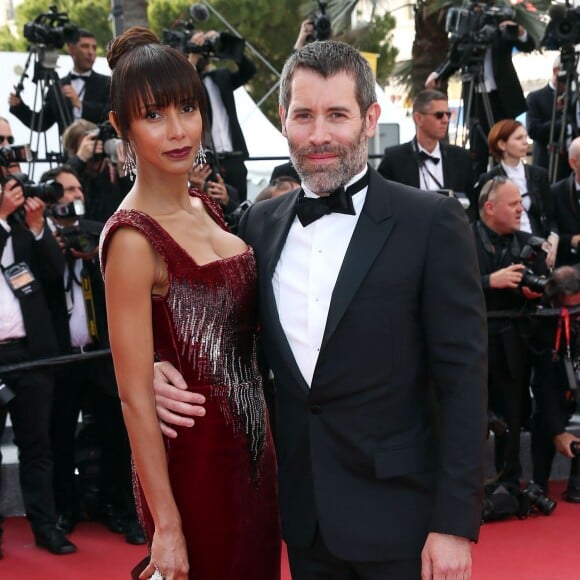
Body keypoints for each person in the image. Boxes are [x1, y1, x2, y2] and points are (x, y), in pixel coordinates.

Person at [154, 40, 488, 579]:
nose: (319, 136)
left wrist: (453, 524)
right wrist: (155, 366)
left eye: (337, 115)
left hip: (402, 518)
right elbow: (219, 334)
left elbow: (464, 384)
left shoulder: (432, 223)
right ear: (284, 118)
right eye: (304, 115)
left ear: (370, 118)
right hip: (304, 519)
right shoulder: (259, 225)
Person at [99, 27, 280, 580]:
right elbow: (133, 399)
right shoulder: (132, 239)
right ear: (122, 129)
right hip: (194, 468)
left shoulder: (206, 206)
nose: (178, 131)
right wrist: (167, 526)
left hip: (255, 460)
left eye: (186, 108)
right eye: (154, 116)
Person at [41, 166, 144, 545]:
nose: (71, 195)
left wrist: (89, 245)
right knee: (60, 437)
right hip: (58, 360)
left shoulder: (101, 232)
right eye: (63, 189)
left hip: (102, 355)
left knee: (116, 436)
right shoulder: (37, 238)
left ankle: (121, 509)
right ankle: (66, 509)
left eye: (76, 188)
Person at [0, 164, 76, 555]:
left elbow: (55, 272)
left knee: (37, 446)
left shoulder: (19, 228)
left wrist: (36, 226)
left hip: (32, 353)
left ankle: (46, 528)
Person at [473, 176, 547, 486]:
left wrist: (533, 292)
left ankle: (510, 484)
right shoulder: (461, 239)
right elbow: (444, 289)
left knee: (513, 415)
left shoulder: (528, 244)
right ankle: (467, 490)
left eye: (521, 202)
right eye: (513, 204)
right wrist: (490, 280)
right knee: (470, 417)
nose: (521, 209)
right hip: (472, 344)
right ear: (489, 207)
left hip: (514, 343)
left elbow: (543, 284)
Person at [425, 3, 534, 177]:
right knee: (478, 150)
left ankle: (510, 188)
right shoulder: (467, 25)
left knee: (506, 145)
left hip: (503, 97)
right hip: (476, 96)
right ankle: (478, 193)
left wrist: (519, 31)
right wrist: (438, 74)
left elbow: (528, 45)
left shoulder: (500, 19)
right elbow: (455, 58)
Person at [377, 89, 476, 220]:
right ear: (418, 118)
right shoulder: (395, 158)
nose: (446, 120)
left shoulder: (461, 157)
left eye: (448, 114)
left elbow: (473, 204)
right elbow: (382, 202)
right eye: (439, 115)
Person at [476, 119, 559, 269]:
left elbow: (551, 216)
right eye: (518, 138)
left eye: (525, 137)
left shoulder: (539, 174)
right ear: (502, 144)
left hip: (538, 245)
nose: (525, 142)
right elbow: (484, 218)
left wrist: (553, 238)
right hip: (507, 247)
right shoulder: (488, 179)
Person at [530, 265, 580, 502]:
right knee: (545, 420)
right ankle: (538, 485)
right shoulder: (543, 323)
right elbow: (544, 385)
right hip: (556, 378)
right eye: (571, 309)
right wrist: (558, 432)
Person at [187, 29, 255, 201]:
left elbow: (249, 70)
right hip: (208, 162)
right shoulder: (185, 83)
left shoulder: (221, 77)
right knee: (213, 209)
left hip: (234, 157)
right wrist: (192, 57)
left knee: (239, 208)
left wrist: (223, 44)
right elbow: (183, 88)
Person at [8, 29, 110, 135]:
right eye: (85, 46)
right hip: (68, 150)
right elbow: (41, 123)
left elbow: (113, 115)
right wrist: (19, 106)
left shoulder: (107, 83)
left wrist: (80, 105)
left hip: (100, 148)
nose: (91, 52)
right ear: (71, 49)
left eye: (94, 47)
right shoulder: (57, 86)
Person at [526, 55, 574, 183]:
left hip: (573, 165)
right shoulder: (536, 97)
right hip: (547, 163)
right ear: (556, 71)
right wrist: (563, 124)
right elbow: (533, 130)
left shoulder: (575, 97)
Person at [551, 137, 580, 266]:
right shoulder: (556, 192)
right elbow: (549, 231)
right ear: (573, 163)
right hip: (568, 267)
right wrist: (571, 240)